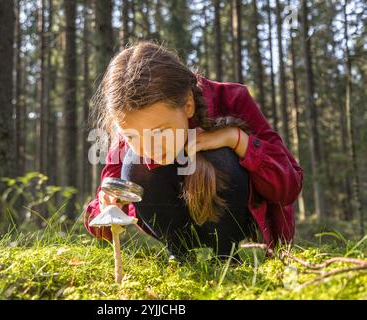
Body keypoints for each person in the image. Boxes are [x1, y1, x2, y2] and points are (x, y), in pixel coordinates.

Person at [83, 41, 303, 259]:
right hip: (178, 224)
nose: (149, 147)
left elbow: (289, 187)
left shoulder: (232, 99)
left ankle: (227, 253)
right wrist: (107, 205)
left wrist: (236, 139)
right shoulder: (134, 125)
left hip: (238, 223)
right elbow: (99, 223)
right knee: (133, 163)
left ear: (188, 104)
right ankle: (178, 252)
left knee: (219, 156)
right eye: (131, 136)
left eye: (160, 132)